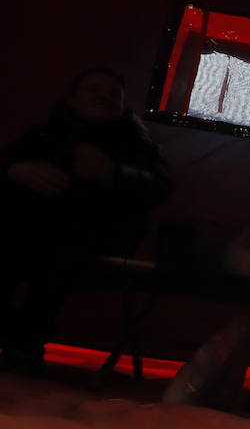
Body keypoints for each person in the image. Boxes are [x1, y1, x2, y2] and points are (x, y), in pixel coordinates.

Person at [0, 68, 172, 373]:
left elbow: (159, 187)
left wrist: (113, 174)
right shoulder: (42, 135)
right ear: (73, 97)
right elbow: (7, 161)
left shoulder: (138, 145)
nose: (103, 97)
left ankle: (24, 344)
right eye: (94, 89)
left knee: (60, 247)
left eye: (112, 94)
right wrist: (16, 170)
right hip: (24, 227)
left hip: (95, 234)